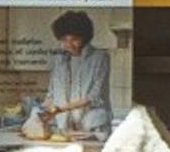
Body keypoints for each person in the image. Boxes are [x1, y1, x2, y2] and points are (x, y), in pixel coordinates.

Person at [32, 8, 112, 139]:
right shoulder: (59, 60)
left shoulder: (100, 57)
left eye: (74, 38)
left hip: (93, 126)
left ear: (85, 37)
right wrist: (40, 111)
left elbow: (93, 96)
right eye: (64, 39)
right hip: (67, 127)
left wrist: (60, 109)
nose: (69, 44)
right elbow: (51, 94)